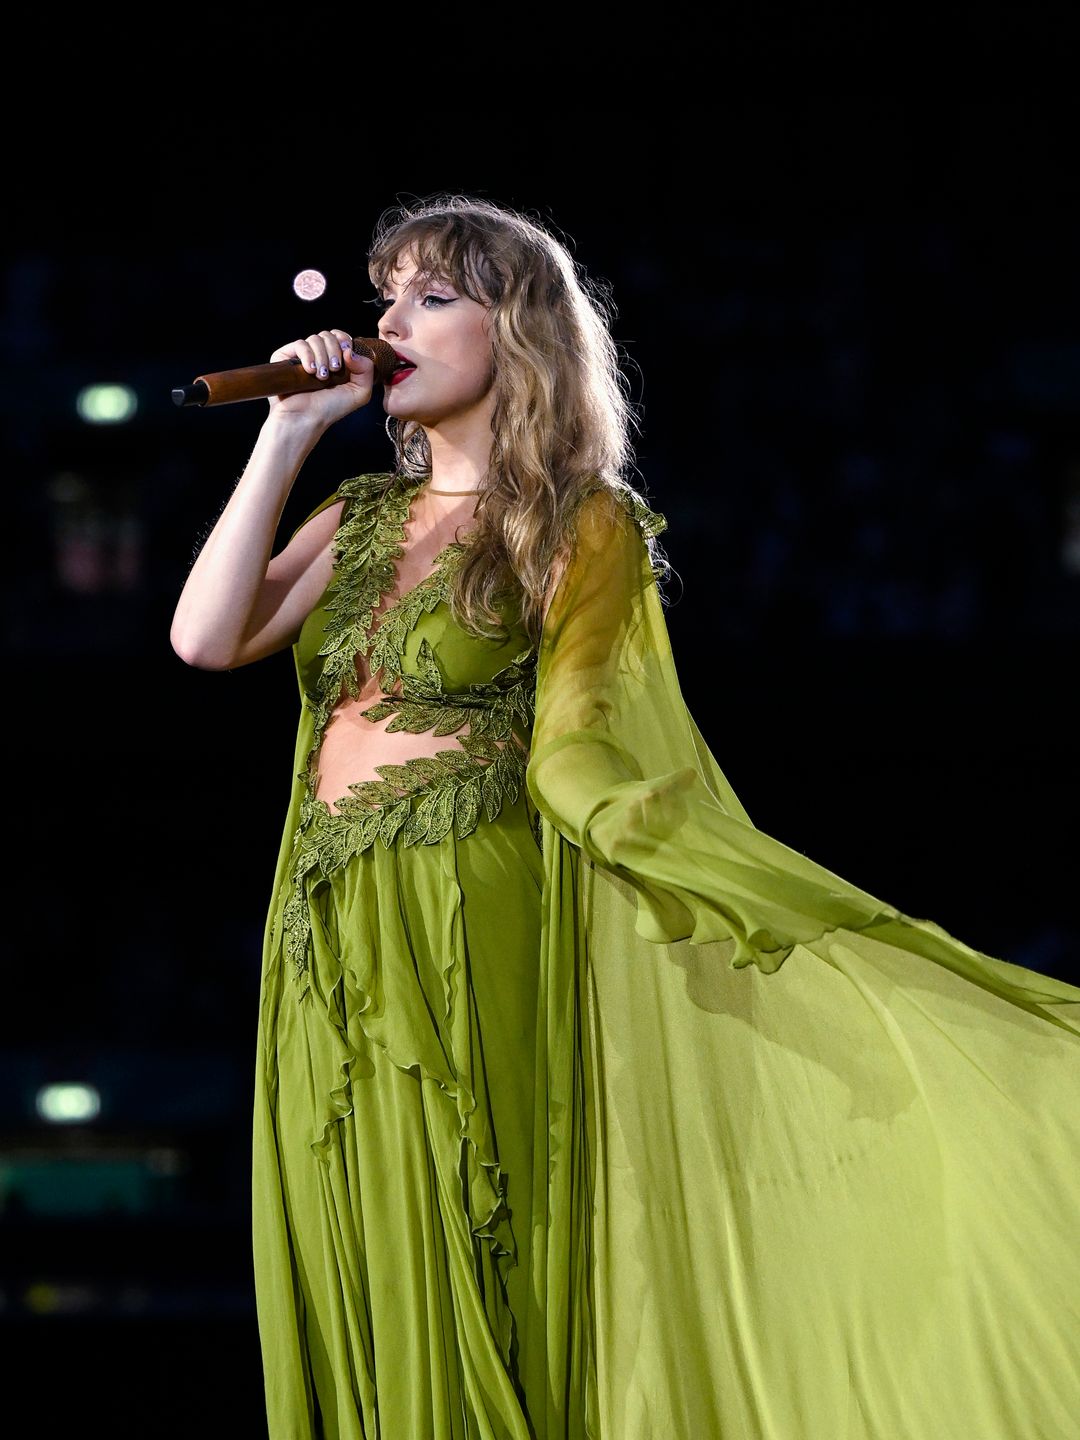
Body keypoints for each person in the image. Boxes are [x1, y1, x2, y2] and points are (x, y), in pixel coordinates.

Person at [171, 194, 1080, 1440]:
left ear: (522, 334)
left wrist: (718, 874)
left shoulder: (575, 523)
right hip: (326, 929)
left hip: (470, 913)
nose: (391, 321)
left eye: (435, 296)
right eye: (387, 296)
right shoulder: (359, 517)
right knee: (359, 1243)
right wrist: (285, 437)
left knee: (478, 1241)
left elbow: (584, 738)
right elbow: (203, 637)